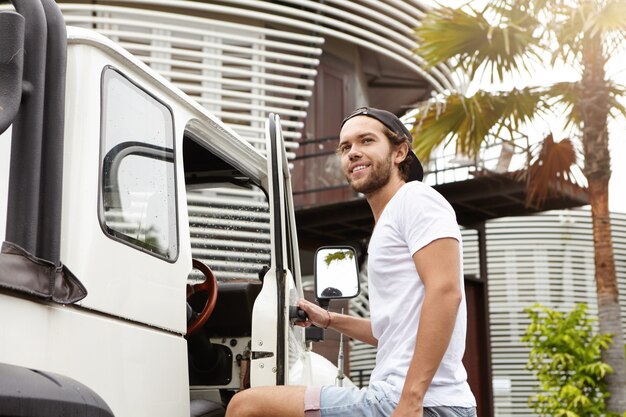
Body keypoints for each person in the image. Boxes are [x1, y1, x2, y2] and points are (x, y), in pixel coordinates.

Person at [225, 107, 476, 417]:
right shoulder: (388, 221)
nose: (353, 153)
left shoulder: (415, 198)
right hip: (420, 400)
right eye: (345, 147)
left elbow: (446, 291)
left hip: (417, 402)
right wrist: (329, 321)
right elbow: (390, 332)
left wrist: (410, 400)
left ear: (399, 152)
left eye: (366, 141)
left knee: (246, 406)